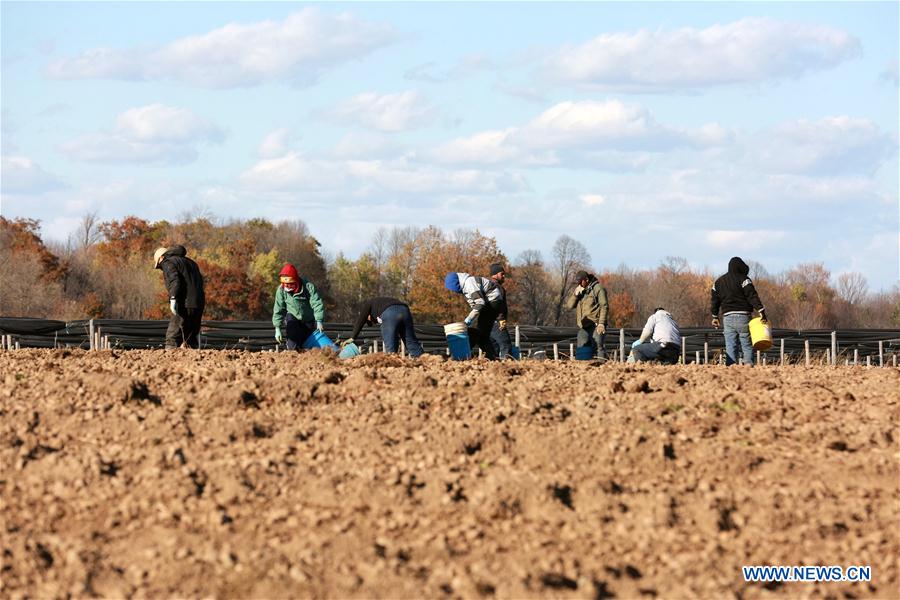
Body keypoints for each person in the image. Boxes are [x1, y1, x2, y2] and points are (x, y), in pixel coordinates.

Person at [711, 256, 769, 366]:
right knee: (746, 344)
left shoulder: (718, 282)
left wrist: (715, 316)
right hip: (744, 317)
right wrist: (761, 311)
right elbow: (752, 296)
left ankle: (731, 369)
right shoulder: (744, 279)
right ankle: (748, 367)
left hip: (727, 318)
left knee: (730, 345)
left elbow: (715, 301)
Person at [154, 245, 205, 349]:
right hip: (198, 303)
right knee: (190, 337)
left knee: (173, 336)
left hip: (183, 303)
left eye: (159, 265)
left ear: (161, 258)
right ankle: (195, 362)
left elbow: (174, 280)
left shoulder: (168, 262)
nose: (161, 268)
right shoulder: (192, 263)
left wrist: (173, 298)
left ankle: (169, 362)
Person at [444, 271, 503, 360]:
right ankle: (491, 356)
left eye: (453, 289)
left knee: (478, 333)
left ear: (456, 284)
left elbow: (479, 303)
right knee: (482, 335)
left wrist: (469, 319)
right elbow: (474, 304)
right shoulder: (466, 288)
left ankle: (465, 355)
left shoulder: (469, 283)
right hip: (490, 304)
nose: (454, 291)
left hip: (492, 302)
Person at [342, 297, 423, 357]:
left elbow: (360, 320)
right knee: (411, 342)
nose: (375, 322)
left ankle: (392, 367)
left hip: (390, 312)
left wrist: (352, 337)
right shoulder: (380, 303)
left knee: (390, 349)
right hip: (405, 310)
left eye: (372, 321)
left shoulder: (369, 303)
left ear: (368, 316)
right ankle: (425, 361)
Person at [272, 263, 326, 350]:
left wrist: (319, 320)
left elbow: (317, 303)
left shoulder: (308, 287)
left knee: (306, 343)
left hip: (308, 318)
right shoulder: (281, 290)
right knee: (293, 341)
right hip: (292, 316)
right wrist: (277, 328)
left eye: (291, 284)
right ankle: (293, 351)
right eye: (286, 284)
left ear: (296, 280)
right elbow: (278, 309)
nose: (288, 287)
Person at [566, 270, 608, 359]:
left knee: (598, 347)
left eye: (581, 282)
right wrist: (575, 295)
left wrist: (601, 323)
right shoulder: (580, 290)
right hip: (584, 326)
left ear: (586, 280)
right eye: (578, 282)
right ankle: (584, 369)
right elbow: (569, 306)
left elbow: (604, 306)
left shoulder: (598, 288)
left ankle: (603, 368)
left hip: (596, 325)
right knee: (582, 347)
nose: (579, 284)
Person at [488, 263, 513, 359]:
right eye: (501, 274)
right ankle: (506, 369)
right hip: (496, 322)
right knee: (505, 345)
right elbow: (499, 305)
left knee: (493, 348)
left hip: (487, 323)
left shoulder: (487, 286)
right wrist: (501, 319)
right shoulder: (497, 287)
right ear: (495, 274)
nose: (504, 276)